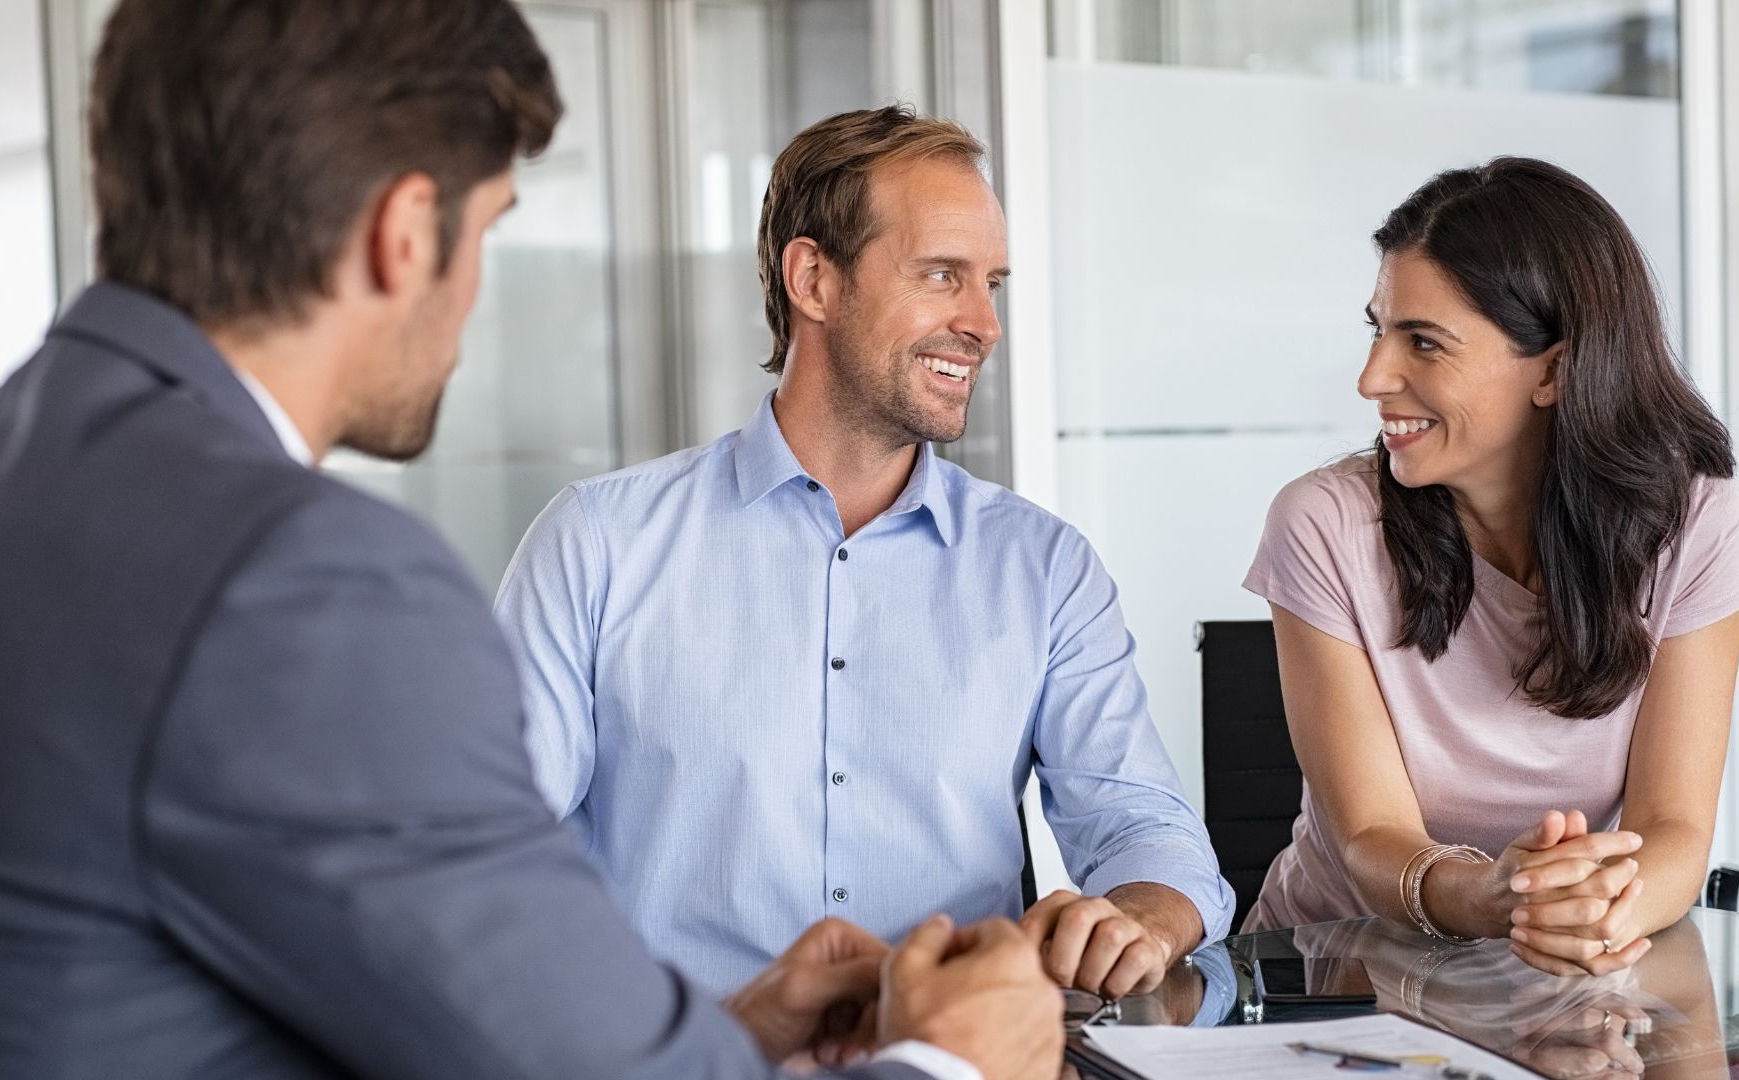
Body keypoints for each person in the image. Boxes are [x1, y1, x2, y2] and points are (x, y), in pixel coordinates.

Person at [0, 3, 1061, 1077]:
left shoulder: (10, 462)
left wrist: (720, 1034)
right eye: (488, 229)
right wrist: (950, 1063)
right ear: (405, 234)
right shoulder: (300, 581)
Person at [494, 105, 1234, 1000]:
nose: (984, 323)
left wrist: (1141, 917)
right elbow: (495, 850)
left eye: (991, 283)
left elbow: (1142, 825)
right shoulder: (598, 544)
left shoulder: (1043, 568)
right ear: (813, 278)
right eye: (941, 276)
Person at [1240, 157, 1739, 977]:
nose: (1373, 376)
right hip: (1336, 977)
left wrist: (1589, 909)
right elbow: (1371, 836)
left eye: (1423, 342)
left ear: (1552, 369)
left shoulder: (1693, 523)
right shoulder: (1322, 523)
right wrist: (1495, 898)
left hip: (1557, 975)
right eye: (1378, 328)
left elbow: (1674, 830)